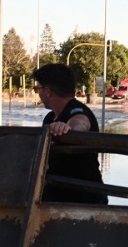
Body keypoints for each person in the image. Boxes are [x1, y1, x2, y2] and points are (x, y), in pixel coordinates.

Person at [32, 63, 108, 205]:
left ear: (47, 91)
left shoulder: (78, 110)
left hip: (85, 200)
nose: (38, 94)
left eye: (37, 89)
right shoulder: (49, 118)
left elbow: (81, 123)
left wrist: (67, 128)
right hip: (55, 198)